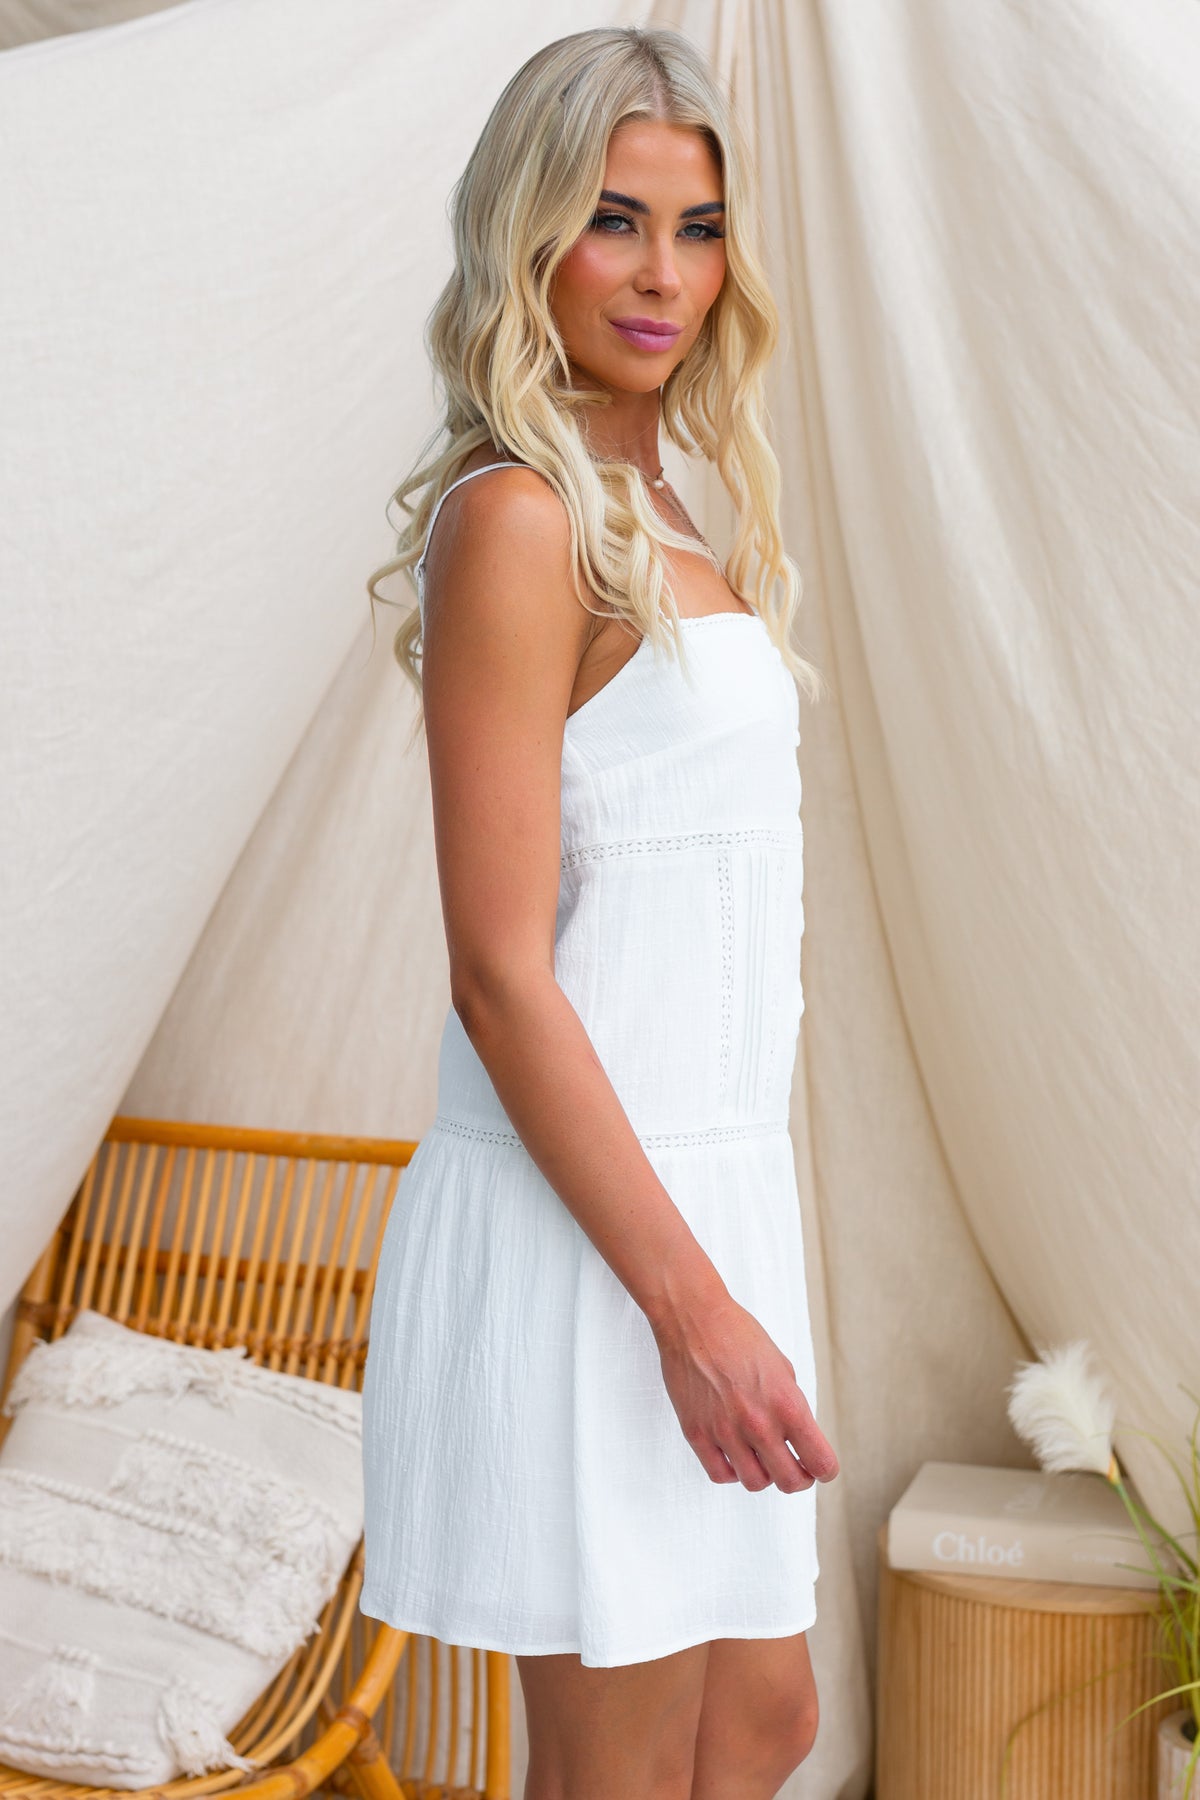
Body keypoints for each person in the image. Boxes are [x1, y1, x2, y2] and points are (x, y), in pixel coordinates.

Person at [360, 25, 840, 1800]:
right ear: (530, 238)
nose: (663, 275)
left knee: (764, 1721)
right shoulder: (515, 521)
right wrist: (688, 1310)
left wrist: (724, 1277)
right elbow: (499, 974)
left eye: (697, 229)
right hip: (595, 1243)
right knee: (620, 1768)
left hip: (708, 1191)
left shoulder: (663, 507)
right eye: (615, 222)